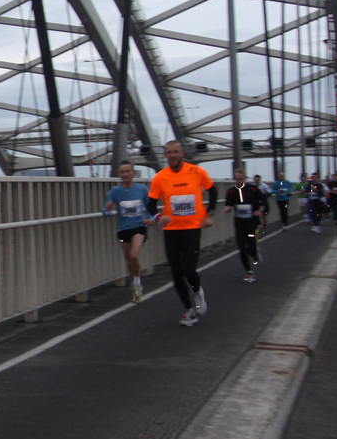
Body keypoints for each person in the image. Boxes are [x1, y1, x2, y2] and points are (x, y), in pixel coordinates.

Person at [147, 140, 216, 327]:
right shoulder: (160, 177)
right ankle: (189, 310)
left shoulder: (197, 172)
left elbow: (213, 191)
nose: (173, 155)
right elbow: (150, 204)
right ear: (165, 155)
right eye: (169, 152)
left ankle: (197, 290)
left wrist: (210, 214)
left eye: (176, 151)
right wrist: (158, 217)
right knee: (176, 273)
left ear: (182, 153)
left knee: (188, 269)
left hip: (192, 228)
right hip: (171, 230)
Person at [103, 160, 154, 303]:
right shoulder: (115, 191)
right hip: (123, 229)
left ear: (133, 173)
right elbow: (105, 211)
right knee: (129, 260)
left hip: (139, 227)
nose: (125, 174)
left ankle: (137, 283)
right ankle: (135, 284)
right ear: (119, 174)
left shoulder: (142, 189)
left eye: (128, 171)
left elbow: (150, 207)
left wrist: (151, 219)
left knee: (133, 255)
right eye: (122, 172)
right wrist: (107, 209)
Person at [224, 167, 266, 282]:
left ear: (245, 178)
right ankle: (249, 272)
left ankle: (255, 254)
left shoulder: (253, 189)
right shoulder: (231, 191)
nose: (239, 181)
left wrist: (260, 211)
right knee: (241, 248)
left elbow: (264, 200)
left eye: (241, 179)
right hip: (239, 224)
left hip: (251, 223)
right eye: (237, 179)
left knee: (251, 247)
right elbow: (228, 204)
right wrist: (227, 208)